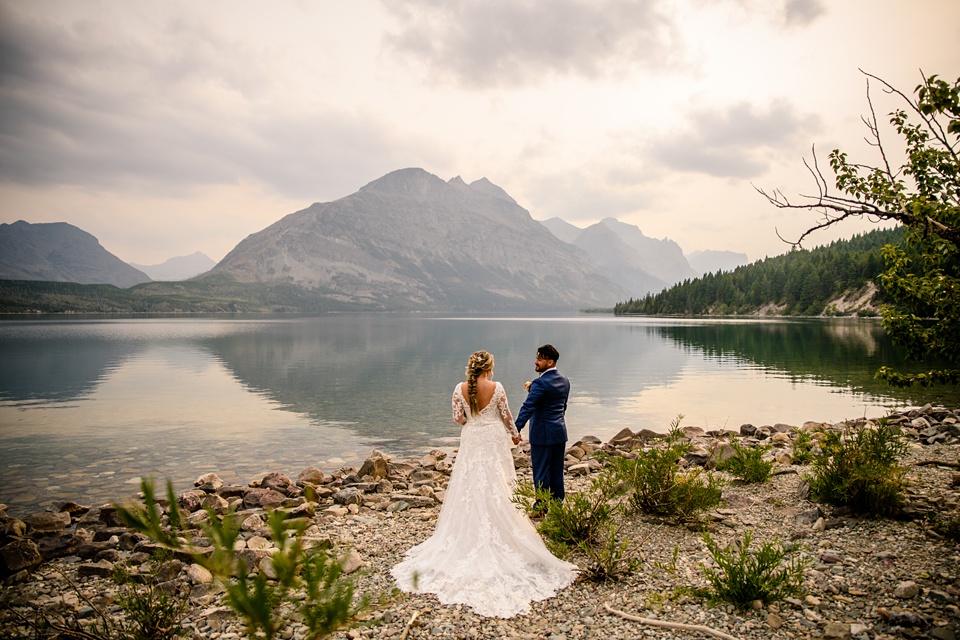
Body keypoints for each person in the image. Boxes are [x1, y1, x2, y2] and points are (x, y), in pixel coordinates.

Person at [391, 350, 577, 618]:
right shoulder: (497, 387)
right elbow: (506, 416)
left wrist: (473, 423)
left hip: (472, 438)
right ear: (489, 368)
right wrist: (514, 435)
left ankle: (465, 531)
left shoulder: (459, 387)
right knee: (497, 481)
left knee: (468, 483)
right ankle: (511, 524)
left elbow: (458, 418)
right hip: (492, 440)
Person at [514, 344, 569, 505]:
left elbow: (528, 407)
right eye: (536, 357)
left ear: (550, 362)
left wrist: (515, 428)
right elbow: (562, 406)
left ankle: (541, 508)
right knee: (556, 471)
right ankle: (558, 505)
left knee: (541, 471)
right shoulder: (564, 380)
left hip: (542, 434)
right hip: (559, 431)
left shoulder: (540, 383)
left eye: (540, 359)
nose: (535, 362)